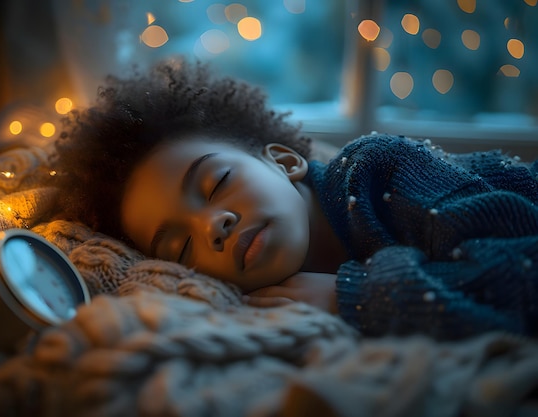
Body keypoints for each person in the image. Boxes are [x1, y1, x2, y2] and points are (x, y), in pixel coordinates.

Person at [52, 58, 538, 340]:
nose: (211, 227)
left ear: (284, 161)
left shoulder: (381, 172)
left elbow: (523, 268)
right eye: (179, 247)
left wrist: (355, 294)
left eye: (217, 183)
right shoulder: (256, 303)